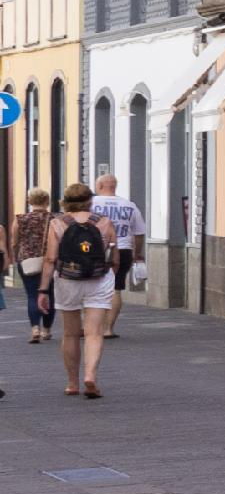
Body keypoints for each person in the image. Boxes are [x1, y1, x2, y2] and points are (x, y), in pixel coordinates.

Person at [47, 186, 116, 398]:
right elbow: (115, 256)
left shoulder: (57, 223)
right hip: (98, 278)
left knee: (70, 333)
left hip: (68, 279)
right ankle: (90, 376)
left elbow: (50, 258)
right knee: (94, 332)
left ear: (64, 201)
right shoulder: (104, 222)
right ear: (89, 201)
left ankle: (72, 383)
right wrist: (112, 272)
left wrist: (42, 289)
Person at [89, 169, 141, 338]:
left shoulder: (91, 204)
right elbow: (139, 232)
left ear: (100, 185)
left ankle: (91, 326)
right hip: (123, 248)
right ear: (115, 186)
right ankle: (108, 328)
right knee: (116, 289)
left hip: (95, 249)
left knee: (91, 288)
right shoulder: (129, 205)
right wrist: (137, 253)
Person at [11, 190, 50, 343]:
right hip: (50, 261)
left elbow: (15, 241)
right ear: (47, 201)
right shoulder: (54, 218)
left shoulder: (20, 219)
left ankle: (35, 329)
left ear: (29, 201)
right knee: (49, 294)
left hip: (27, 261)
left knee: (32, 295)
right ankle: (47, 330)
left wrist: (17, 256)